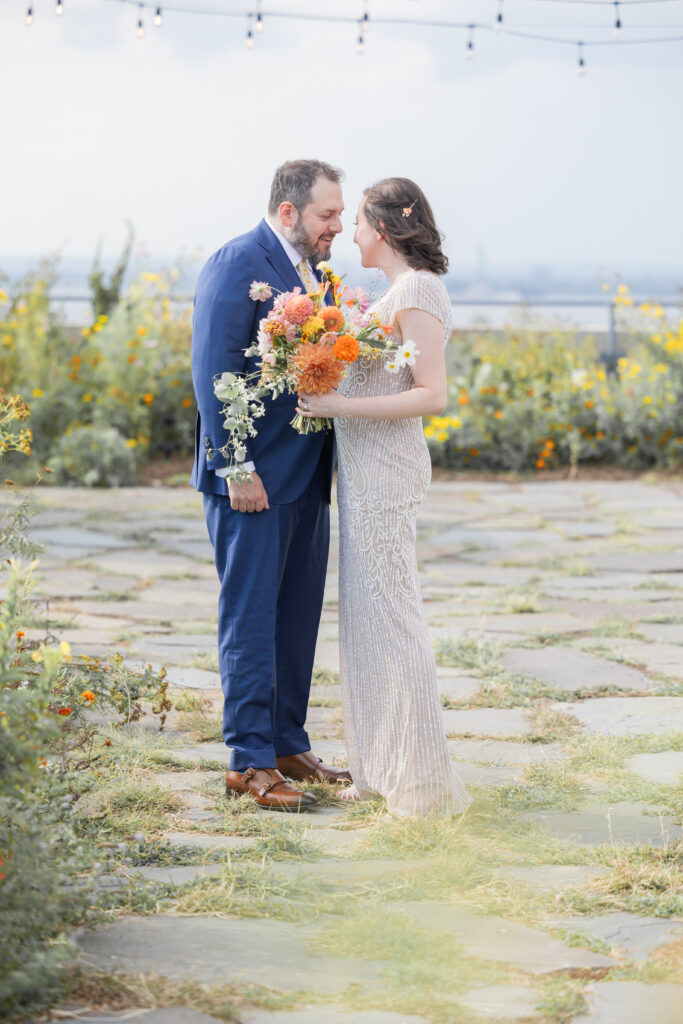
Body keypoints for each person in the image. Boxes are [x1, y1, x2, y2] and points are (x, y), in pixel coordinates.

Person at [297, 177, 472, 817]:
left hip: (389, 474)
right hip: (364, 475)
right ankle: (381, 766)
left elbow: (432, 393)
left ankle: (421, 784)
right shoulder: (390, 290)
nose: (351, 232)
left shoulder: (418, 288)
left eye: (360, 222)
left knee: (393, 618)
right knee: (368, 620)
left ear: (387, 228)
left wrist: (340, 402)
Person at [191, 159, 351, 811]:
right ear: (288, 212)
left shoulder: (314, 271)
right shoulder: (238, 263)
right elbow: (212, 370)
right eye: (327, 214)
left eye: (338, 215)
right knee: (251, 619)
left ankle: (285, 741)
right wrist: (235, 466)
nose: (337, 225)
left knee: (295, 617)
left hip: (305, 475)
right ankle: (248, 762)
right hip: (250, 481)